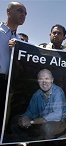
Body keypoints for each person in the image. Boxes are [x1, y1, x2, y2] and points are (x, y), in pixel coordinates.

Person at [11, 69, 66, 141]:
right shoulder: (36, 95)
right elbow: (31, 112)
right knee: (16, 120)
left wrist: (32, 122)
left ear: (52, 80)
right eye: (41, 79)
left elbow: (57, 115)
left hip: (61, 120)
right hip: (42, 120)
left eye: (47, 79)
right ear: (37, 81)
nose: (44, 82)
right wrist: (24, 118)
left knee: (47, 128)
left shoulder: (58, 91)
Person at [0, 2, 27, 145]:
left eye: (25, 13)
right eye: (20, 11)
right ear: (8, 12)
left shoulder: (19, 41)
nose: (23, 15)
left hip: (8, 84)